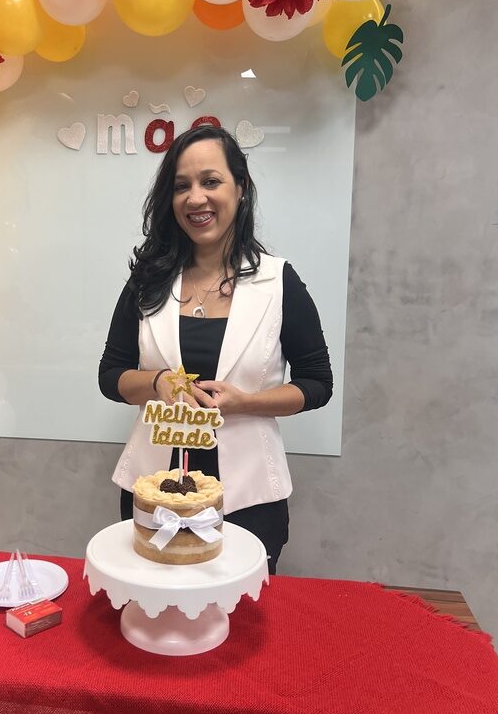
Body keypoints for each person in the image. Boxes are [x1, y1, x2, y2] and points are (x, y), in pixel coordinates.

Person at [98, 124, 332, 573]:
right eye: (181, 186)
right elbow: (111, 376)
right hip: (152, 491)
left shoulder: (279, 281)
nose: (195, 198)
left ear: (239, 188)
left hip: (250, 496)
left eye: (210, 181)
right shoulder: (147, 281)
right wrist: (158, 382)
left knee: (240, 611)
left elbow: (317, 383)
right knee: (156, 605)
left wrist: (246, 402)